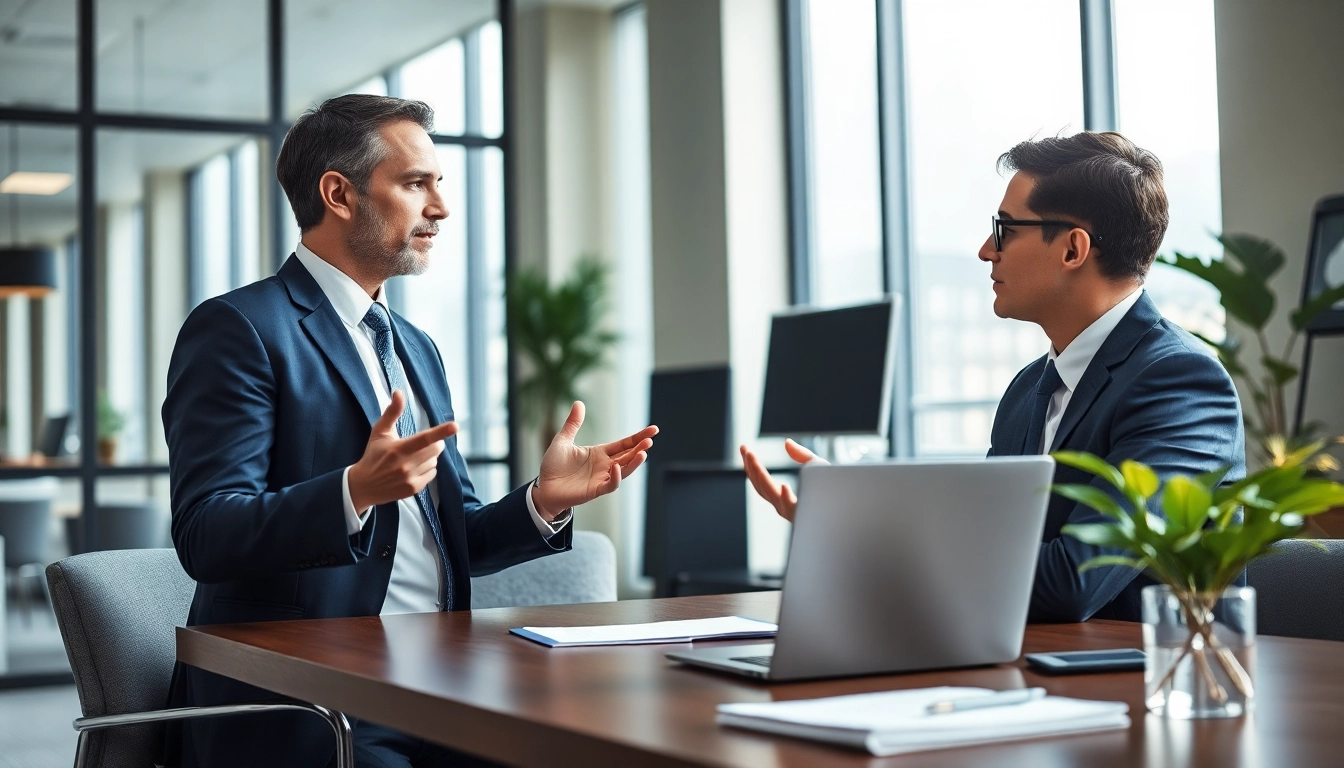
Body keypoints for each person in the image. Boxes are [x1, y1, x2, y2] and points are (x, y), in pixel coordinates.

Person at [160, 94, 657, 768]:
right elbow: (206, 533)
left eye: (439, 184)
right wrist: (353, 493)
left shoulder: (415, 347)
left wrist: (543, 503)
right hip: (311, 701)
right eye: (416, 183)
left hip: (441, 688)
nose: (441, 208)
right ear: (339, 194)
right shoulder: (240, 329)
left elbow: (453, 540)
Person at [741, 131, 1244, 624]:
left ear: (1073, 249)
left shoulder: (1181, 383)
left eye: (1004, 229)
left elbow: (1072, 582)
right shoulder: (1028, 389)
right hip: (1016, 660)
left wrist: (871, 535)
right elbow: (982, 545)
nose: (986, 250)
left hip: (1146, 672)